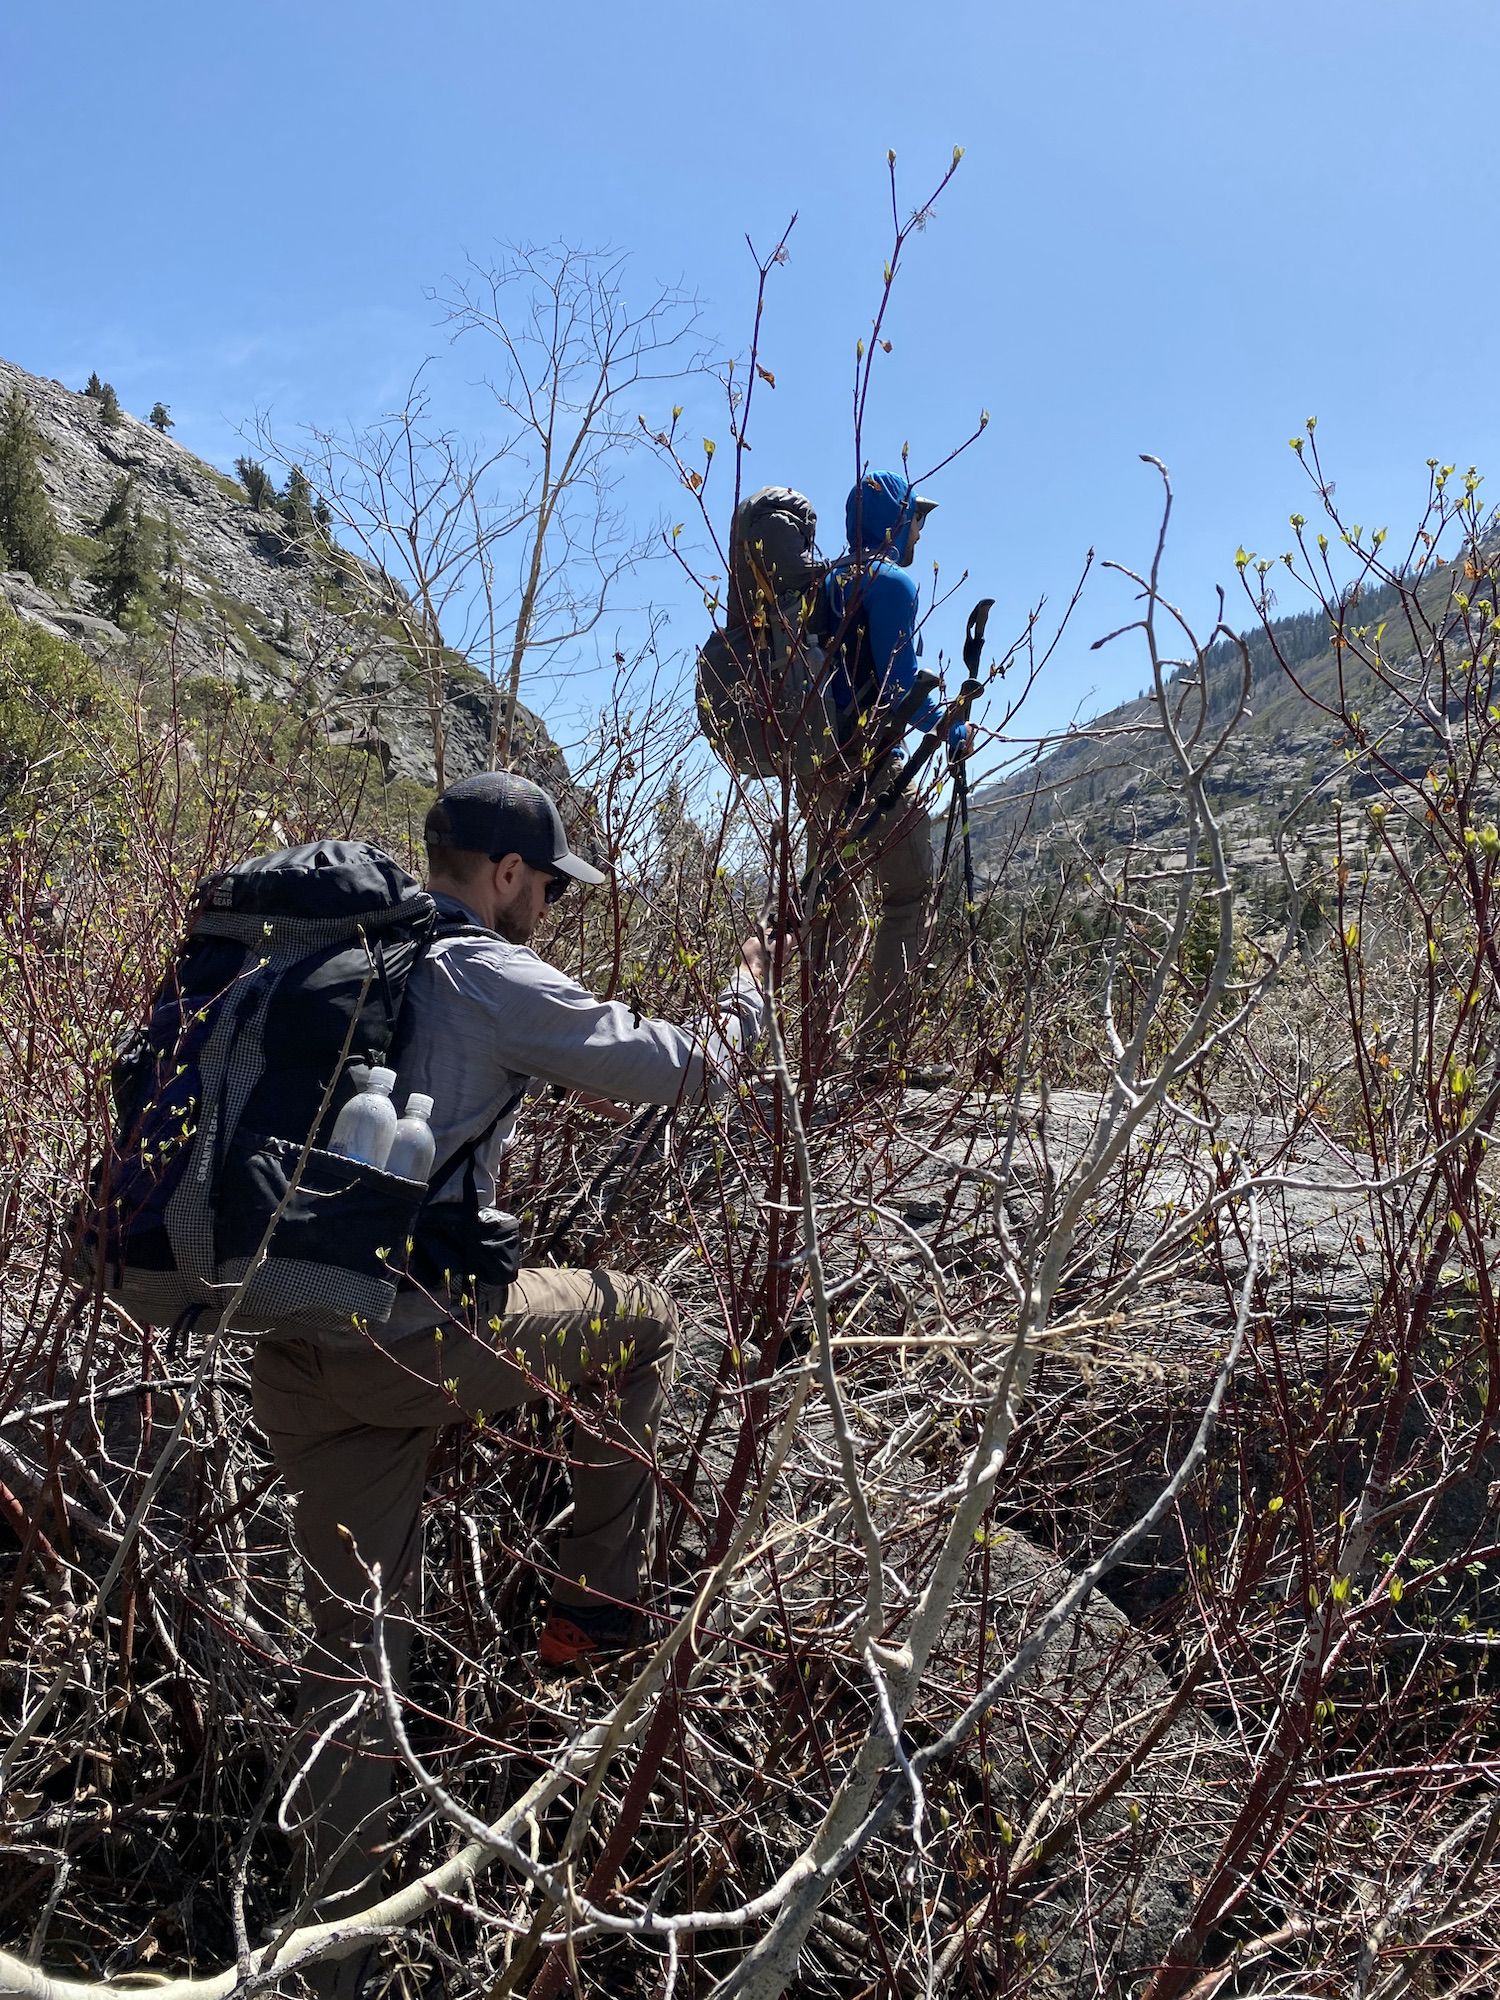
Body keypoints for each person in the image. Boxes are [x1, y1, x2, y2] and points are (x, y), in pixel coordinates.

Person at [249, 772, 767, 1988]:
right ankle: (592, 1605)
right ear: (504, 874)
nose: (549, 907)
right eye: (546, 886)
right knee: (642, 1318)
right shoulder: (480, 963)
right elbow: (683, 1069)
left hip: (287, 1341)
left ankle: (328, 1962)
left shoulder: (337, 942)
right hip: (408, 1340)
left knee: (353, 1667)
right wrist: (750, 990)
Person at [806, 468, 972, 1068]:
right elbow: (902, 691)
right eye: (915, 520)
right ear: (895, 522)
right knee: (906, 896)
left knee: (831, 901)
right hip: (873, 767)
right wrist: (950, 726)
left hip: (819, 770)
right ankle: (879, 1057)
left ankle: (809, 1050)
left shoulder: (825, 583)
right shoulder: (892, 584)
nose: (920, 533)